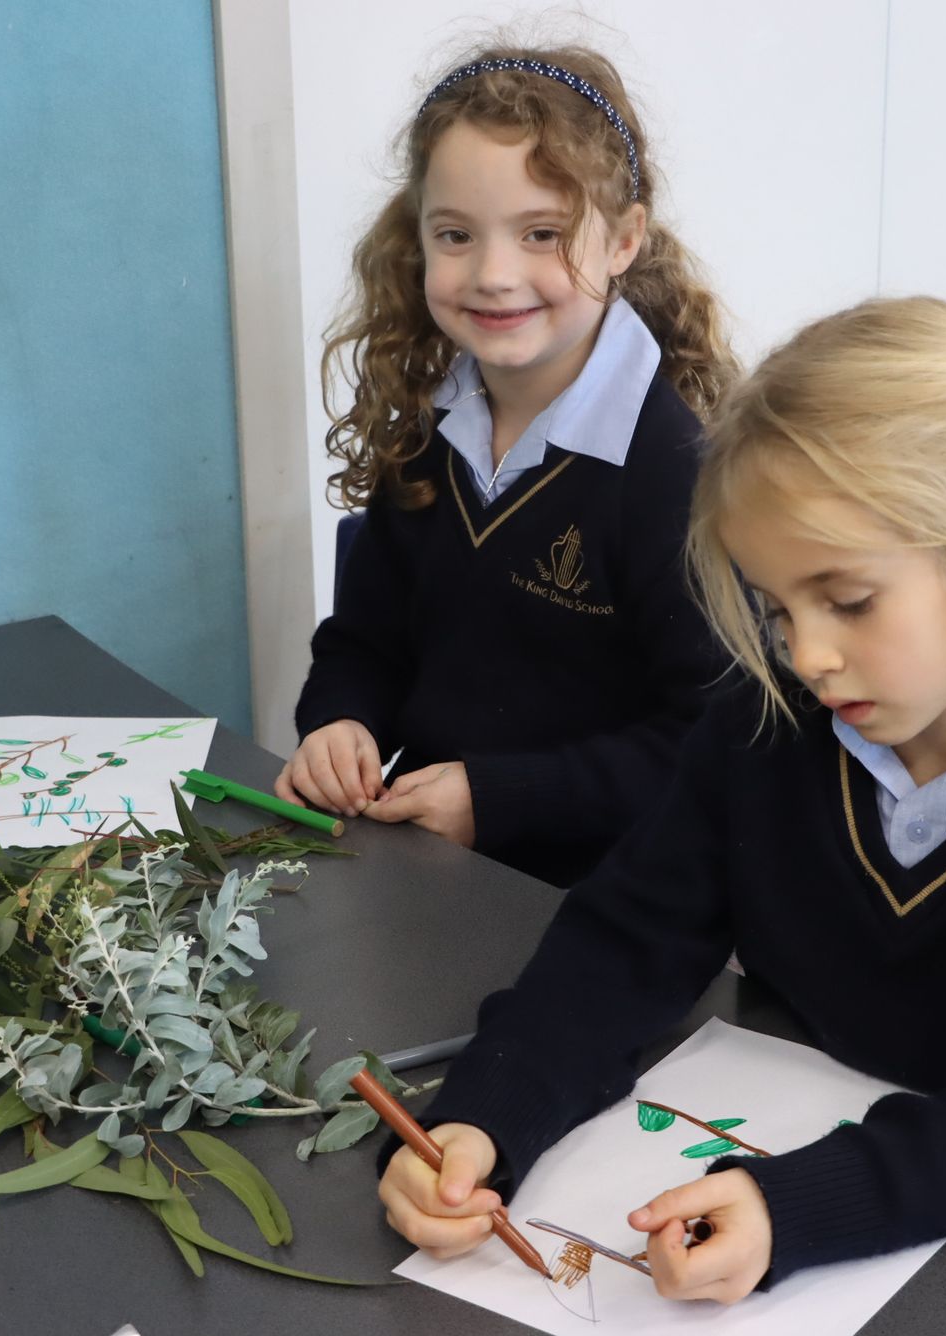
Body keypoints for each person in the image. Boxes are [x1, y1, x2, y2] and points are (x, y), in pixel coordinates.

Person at [375, 296, 946, 1302]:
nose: (806, 654)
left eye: (846, 602)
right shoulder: (767, 718)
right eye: (776, 607)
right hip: (784, 1126)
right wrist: (483, 1118)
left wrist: (797, 1208)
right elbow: (624, 944)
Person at [278, 44, 735, 888]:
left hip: (608, 900)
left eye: (542, 235)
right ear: (418, 239)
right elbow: (365, 643)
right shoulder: (429, 423)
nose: (494, 275)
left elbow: (717, 739)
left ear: (624, 240)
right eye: (456, 235)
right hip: (425, 867)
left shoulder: (672, 472)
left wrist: (497, 799)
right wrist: (341, 723)